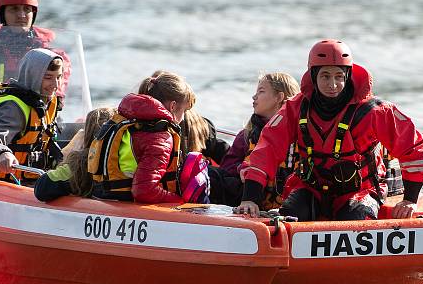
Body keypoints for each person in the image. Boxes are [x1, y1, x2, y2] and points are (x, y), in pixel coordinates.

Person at [235, 39, 423, 221]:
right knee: (293, 213)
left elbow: (413, 147)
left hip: (359, 191)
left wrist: (410, 199)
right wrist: (250, 197)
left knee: (356, 218)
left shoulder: (375, 111)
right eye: (325, 76)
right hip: (310, 188)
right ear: (313, 76)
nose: (333, 85)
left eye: (338, 76)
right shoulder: (295, 108)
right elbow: (267, 148)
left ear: (347, 76)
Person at [88, 71, 195, 204]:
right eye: (184, 111)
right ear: (173, 106)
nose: (183, 117)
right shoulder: (159, 138)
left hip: (102, 197)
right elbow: (144, 191)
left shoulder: (127, 121)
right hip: (125, 204)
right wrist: (179, 201)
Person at [0, 48, 64, 184]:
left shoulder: (47, 102)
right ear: (32, 75)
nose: (55, 84)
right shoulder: (13, 107)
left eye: (59, 77)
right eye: (48, 77)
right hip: (4, 182)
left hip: (33, 179)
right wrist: (2, 153)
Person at [210, 72, 299, 207]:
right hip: (246, 195)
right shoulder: (246, 135)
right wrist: (241, 169)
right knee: (212, 174)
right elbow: (227, 167)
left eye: (261, 91)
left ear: (279, 97)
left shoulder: (301, 134)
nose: (254, 96)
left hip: (288, 199)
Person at [34, 107, 117, 202]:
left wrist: (76, 154)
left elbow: (42, 188)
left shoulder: (81, 164)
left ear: (88, 135)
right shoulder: (127, 160)